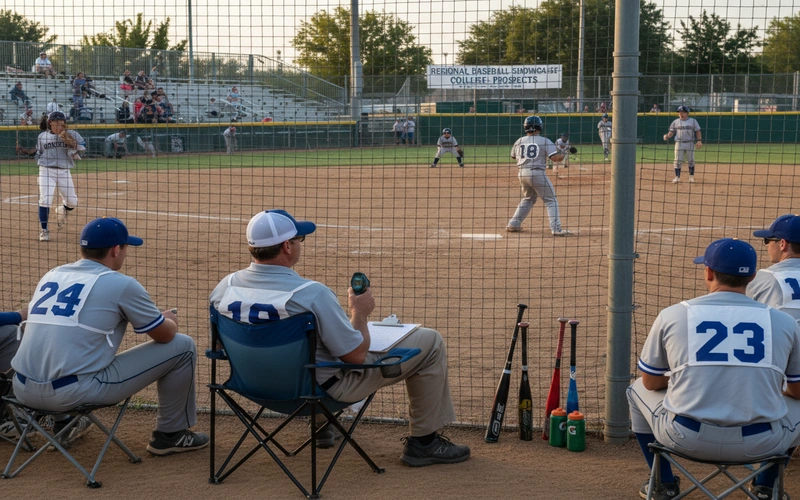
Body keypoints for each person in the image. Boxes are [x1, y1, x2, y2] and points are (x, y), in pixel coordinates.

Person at [209, 209, 471, 466]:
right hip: (319, 393)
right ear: (287, 246)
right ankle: (424, 443)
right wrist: (359, 312)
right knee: (431, 341)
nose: (300, 244)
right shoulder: (311, 294)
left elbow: (221, 347)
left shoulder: (224, 288)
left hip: (253, 389)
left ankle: (323, 426)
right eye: (300, 239)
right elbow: (355, 357)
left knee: (315, 348)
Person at [11, 217, 209, 456]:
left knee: (59, 345)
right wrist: (168, 321)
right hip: (72, 393)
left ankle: (63, 422)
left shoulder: (52, 275)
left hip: (21, 390)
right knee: (183, 345)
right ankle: (171, 435)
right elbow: (165, 336)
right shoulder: (121, 284)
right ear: (116, 250)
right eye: (125, 248)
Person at [627, 238, 800, 500]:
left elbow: (650, 382)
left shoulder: (673, 314)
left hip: (685, 438)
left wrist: (679, 382)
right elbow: (797, 390)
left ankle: (663, 484)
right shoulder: (784, 322)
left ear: (708, 272)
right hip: (761, 443)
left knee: (636, 388)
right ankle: (766, 486)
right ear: (753, 276)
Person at [506, 116, 571, 236]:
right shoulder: (544, 140)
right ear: (539, 126)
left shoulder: (519, 140)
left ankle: (514, 224)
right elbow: (556, 158)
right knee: (551, 200)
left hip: (522, 173)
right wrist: (564, 152)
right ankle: (556, 228)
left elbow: (513, 156)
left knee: (528, 198)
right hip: (537, 173)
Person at [34, 111, 86, 242]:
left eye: (63, 124)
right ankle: (44, 230)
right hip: (46, 170)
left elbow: (83, 147)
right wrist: (39, 161)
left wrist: (73, 144)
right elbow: (38, 152)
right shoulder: (42, 136)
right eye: (57, 124)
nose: (60, 127)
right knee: (45, 199)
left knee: (72, 202)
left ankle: (62, 209)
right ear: (50, 123)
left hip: (64, 170)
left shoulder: (72, 134)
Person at [747, 214, 800, 324]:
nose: (767, 246)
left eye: (767, 240)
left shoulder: (762, 279)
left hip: (783, 339)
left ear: (782, 244)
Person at [664, 105, 702, 183]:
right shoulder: (676, 121)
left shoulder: (693, 121)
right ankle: (677, 177)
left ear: (687, 113)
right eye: (679, 112)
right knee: (677, 160)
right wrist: (667, 136)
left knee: (691, 160)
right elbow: (672, 132)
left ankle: (691, 176)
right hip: (679, 143)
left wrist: (699, 140)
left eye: (682, 112)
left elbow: (697, 131)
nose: (681, 113)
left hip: (690, 143)